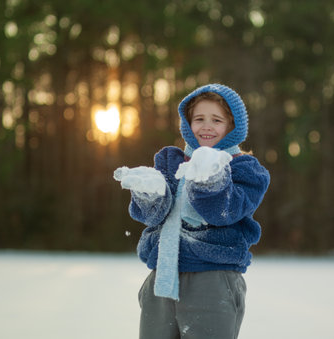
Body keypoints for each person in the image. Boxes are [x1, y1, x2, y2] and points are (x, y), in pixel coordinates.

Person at [114, 84, 270, 339]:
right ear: (187, 123)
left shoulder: (245, 169)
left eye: (216, 120)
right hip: (162, 276)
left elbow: (224, 212)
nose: (206, 126)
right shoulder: (170, 160)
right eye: (199, 119)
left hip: (212, 278)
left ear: (232, 126)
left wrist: (209, 180)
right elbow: (153, 216)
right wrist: (148, 193)